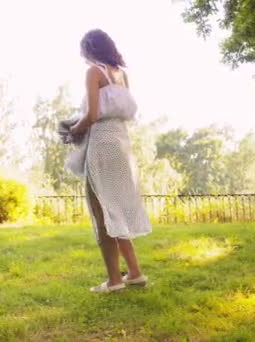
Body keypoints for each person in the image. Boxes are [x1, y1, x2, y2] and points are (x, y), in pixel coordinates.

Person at [69, 29, 152, 293]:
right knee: (116, 205)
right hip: (121, 142)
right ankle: (135, 272)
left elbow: (93, 114)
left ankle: (115, 280)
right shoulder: (121, 75)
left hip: (102, 143)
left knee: (101, 209)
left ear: (89, 49)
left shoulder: (94, 72)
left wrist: (74, 130)